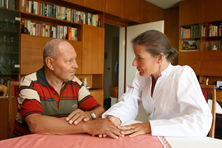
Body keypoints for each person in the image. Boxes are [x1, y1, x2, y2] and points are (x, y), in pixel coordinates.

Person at [102, 30, 212, 137]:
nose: (134, 63)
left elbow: (200, 122)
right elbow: (129, 101)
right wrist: (115, 118)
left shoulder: (181, 74)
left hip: (178, 140)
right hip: (154, 138)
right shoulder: (142, 76)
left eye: (139, 58)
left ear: (160, 58)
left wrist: (149, 126)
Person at [12, 39, 122, 139]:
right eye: (69, 61)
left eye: (75, 60)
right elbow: (35, 124)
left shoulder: (75, 82)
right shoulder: (30, 82)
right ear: (50, 63)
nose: (76, 65)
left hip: (61, 140)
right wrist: (87, 126)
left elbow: (99, 110)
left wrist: (89, 115)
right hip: (28, 142)